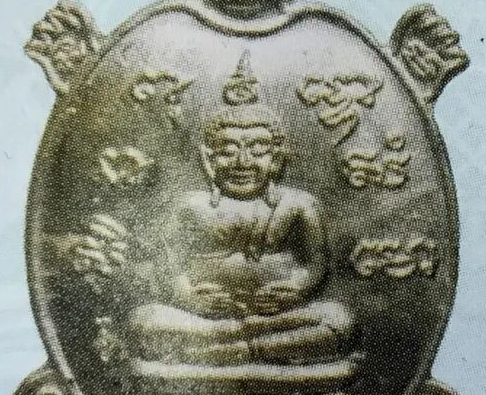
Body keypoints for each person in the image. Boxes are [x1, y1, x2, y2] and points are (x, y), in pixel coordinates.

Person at [130, 101, 355, 366]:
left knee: (339, 321)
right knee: (144, 321)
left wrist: (297, 288)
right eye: (228, 151)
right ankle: (247, 343)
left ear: (277, 158)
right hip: (204, 320)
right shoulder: (189, 206)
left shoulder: (299, 204)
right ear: (208, 158)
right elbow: (167, 266)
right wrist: (187, 295)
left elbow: (316, 264)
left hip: (279, 318)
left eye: (257, 150)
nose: (242, 162)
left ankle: (235, 349)